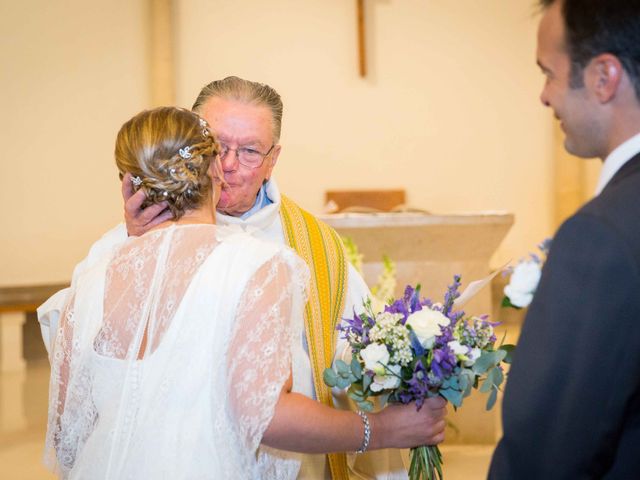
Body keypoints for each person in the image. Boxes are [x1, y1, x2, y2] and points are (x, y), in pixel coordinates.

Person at [38, 77, 447, 479]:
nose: (229, 165)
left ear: (273, 159)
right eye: (218, 147)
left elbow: (354, 353)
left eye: (250, 151)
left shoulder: (314, 246)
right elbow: (81, 379)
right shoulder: (121, 245)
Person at [489, 0, 640, 478]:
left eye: (548, 73)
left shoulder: (601, 235)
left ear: (603, 77)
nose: (544, 96)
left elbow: (546, 452)